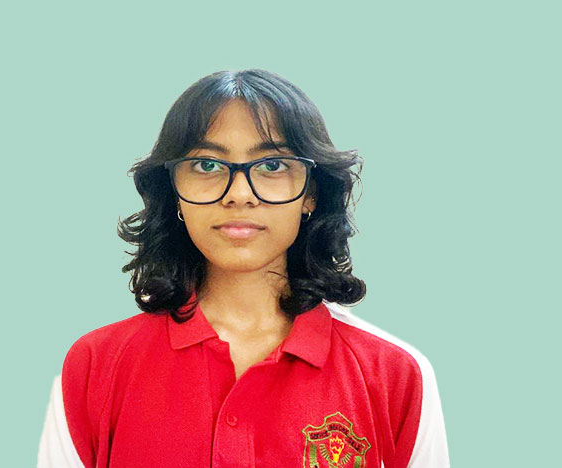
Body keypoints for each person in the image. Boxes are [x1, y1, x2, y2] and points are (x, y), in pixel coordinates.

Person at [37, 69, 450, 468]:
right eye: (207, 165)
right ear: (174, 191)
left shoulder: (394, 374)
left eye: (272, 165)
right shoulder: (95, 366)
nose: (238, 195)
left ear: (311, 193)